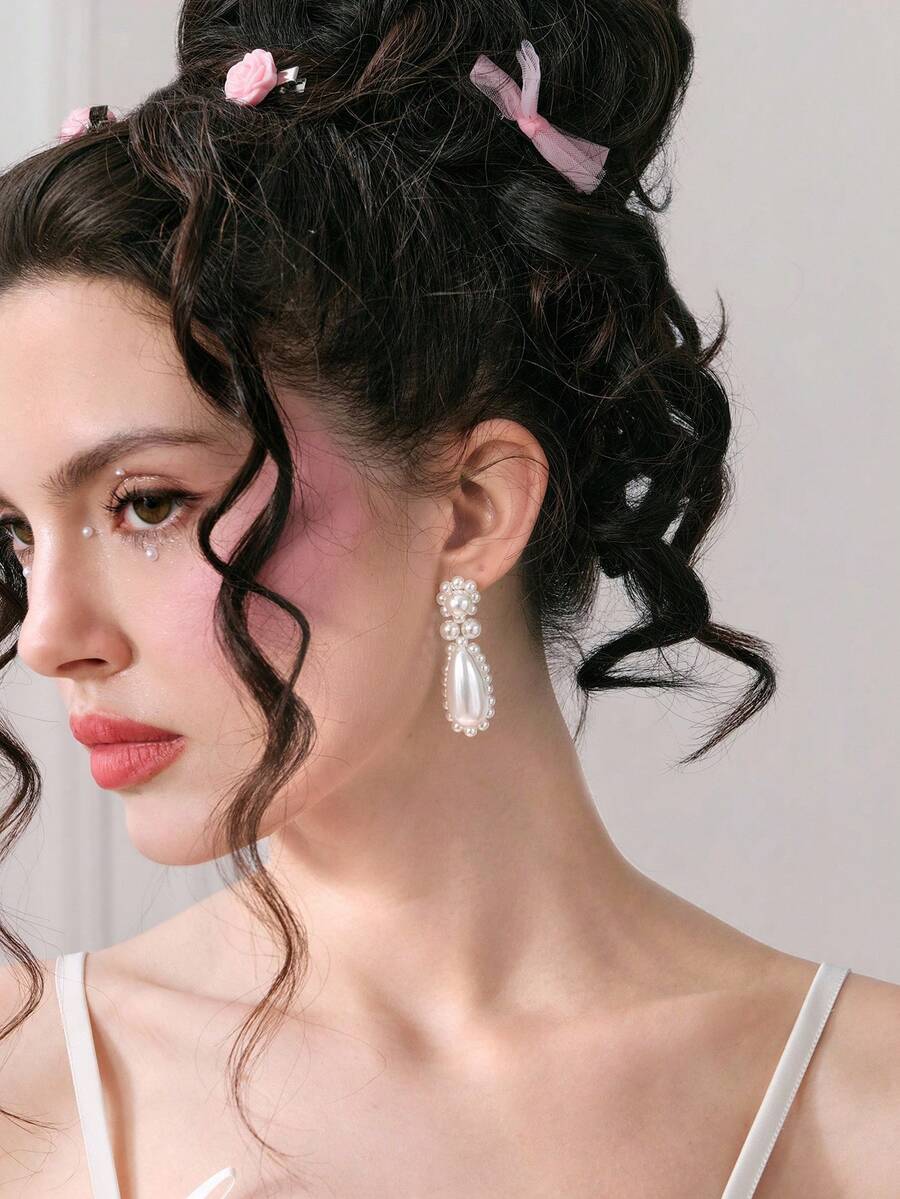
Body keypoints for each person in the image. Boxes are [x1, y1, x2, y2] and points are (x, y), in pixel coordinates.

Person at [0, 2, 897, 1196]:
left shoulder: (866, 1109)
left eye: (148, 503)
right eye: (15, 534)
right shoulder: (26, 1099)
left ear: (472, 507)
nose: (50, 637)